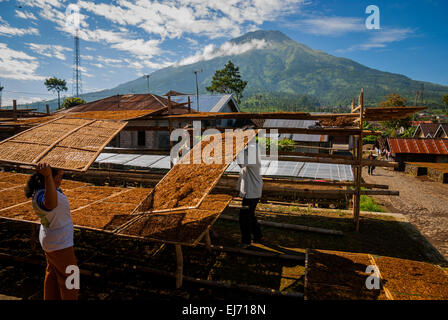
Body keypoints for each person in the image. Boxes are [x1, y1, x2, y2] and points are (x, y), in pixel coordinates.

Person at [24, 163, 78, 300]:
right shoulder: (45, 195)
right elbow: (51, 204)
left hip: (51, 239)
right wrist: (48, 175)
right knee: (71, 275)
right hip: (60, 243)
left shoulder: (41, 191)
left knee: (53, 273)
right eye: (59, 176)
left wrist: (49, 177)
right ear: (49, 177)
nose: (61, 180)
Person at [236, 142, 263, 248]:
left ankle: (246, 241)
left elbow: (241, 163)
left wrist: (236, 150)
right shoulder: (251, 148)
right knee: (250, 215)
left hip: (251, 192)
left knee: (244, 217)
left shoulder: (252, 150)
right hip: (252, 190)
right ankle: (258, 236)